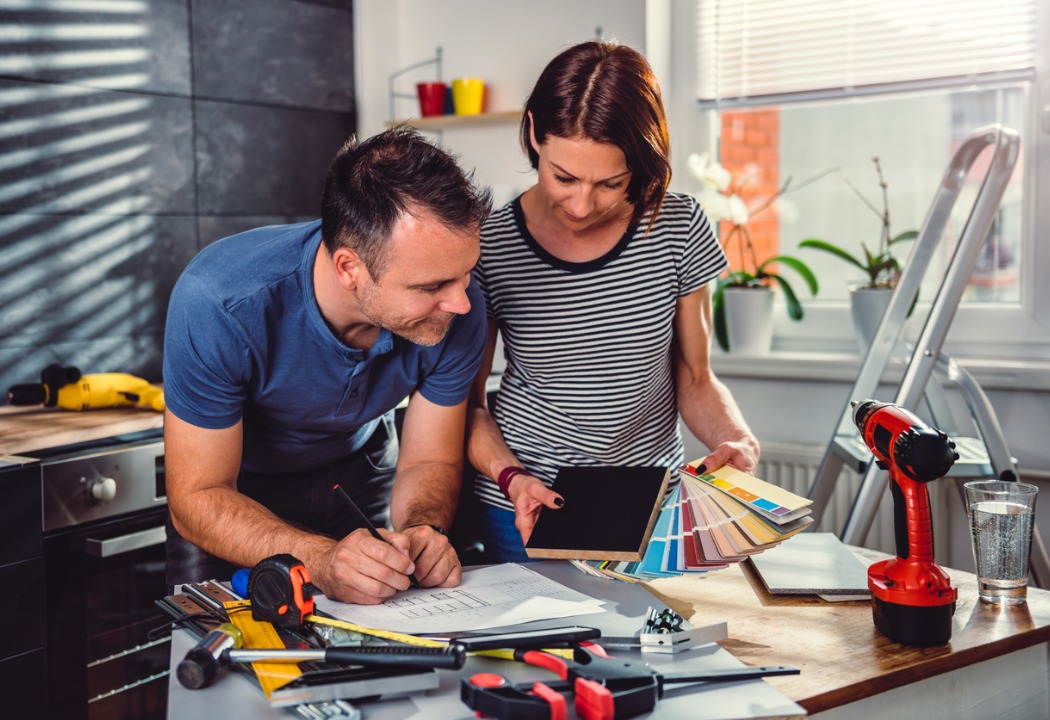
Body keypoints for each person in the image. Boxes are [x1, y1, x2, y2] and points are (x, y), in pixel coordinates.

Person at [163, 126, 492, 603]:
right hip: (237, 495)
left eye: (465, 275)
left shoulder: (460, 306)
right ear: (348, 268)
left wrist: (424, 531)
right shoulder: (218, 302)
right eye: (430, 287)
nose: (461, 304)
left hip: (360, 474)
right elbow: (197, 496)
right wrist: (317, 559)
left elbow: (428, 459)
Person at [466, 41, 760, 562]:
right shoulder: (490, 244)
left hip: (650, 504)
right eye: (564, 177)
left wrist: (736, 439)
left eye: (610, 183)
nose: (581, 204)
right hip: (524, 502)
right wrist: (511, 479)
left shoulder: (678, 224)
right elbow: (470, 406)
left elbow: (695, 378)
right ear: (535, 133)